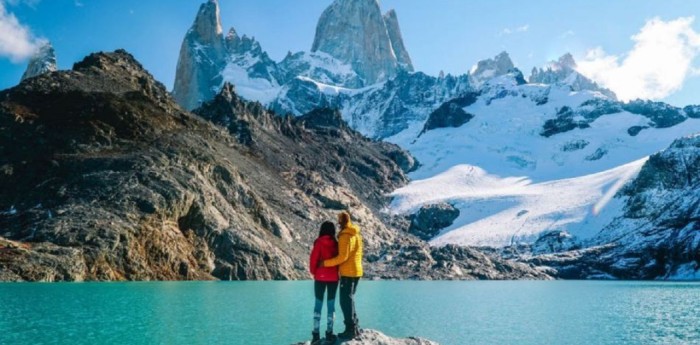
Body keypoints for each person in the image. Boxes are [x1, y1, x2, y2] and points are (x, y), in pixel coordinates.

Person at [322, 211, 363, 340]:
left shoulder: (345, 236)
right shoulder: (356, 233)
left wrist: (325, 263)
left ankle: (350, 330)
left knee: (345, 301)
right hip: (356, 271)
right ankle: (355, 328)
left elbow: (342, 257)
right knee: (350, 299)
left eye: (339, 221)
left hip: (348, 273)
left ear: (341, 222)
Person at [309, 221, 339, 345]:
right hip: (333, 278)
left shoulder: (319, 242)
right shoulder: (336, 244)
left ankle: (316, 335)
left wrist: (314, 272)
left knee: (318, 305)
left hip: (320, 277)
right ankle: (329, 333)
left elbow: (313, 259)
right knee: (331, 306)